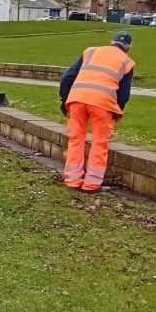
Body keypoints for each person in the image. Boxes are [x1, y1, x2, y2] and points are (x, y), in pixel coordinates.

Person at [59, 31, 135, 192]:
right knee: (100, 142)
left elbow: (67, 77)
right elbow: (124, 95)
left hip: (77, 99)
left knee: (75, 139)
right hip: (102, 103)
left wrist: (64, 100)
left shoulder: (90, 51)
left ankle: (72, 180)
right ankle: (91, 184)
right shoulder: (126, 62)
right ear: (129, 47)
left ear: (111, 41)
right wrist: (117, 112)